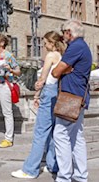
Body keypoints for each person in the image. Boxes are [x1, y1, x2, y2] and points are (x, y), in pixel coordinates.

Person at [11, 31, 66, 178]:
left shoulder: (50, 56)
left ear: (52, 43)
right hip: (57, 94)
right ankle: (53, 165)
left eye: (46, 42)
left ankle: (30, 170)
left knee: (40, 132)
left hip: (48, 93)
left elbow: (43, 78)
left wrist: (37, 90)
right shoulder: (62, 56)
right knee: (53, 132)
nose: (44, 45)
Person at [51, 19, 92, 182]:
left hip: (71, 96)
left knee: (60, 134)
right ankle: (81, 176)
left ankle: (64, 177)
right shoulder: (83, 46)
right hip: (79, 95)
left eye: (63, 33)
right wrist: (67, 68)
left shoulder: (75, 47)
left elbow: (55, 72)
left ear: (69, 32)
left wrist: (63, 69)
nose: (63, 37)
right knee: (77, 137)